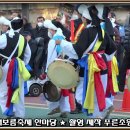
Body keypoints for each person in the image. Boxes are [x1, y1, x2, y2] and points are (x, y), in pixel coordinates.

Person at [55, 5, 117, 118]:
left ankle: (97, 116)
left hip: (90, 66)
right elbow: (112, 50)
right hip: (101, 64)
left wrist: (62, 43)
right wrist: (102, 58)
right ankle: (105, 107)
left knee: (84, 94)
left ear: (85, 19)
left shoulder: (87, 32)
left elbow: (76, 50)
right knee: (98, 91)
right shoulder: (102, 32)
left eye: (82, 17)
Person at [0, 16, 31, 118]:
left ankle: (8, 111)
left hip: (5, 66)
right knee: (19, 91)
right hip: (19, 67)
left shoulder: (4, 37)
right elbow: (28, 55)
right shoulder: (23, 39)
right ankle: (20, 114)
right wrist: (22, 63)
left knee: (3, 90)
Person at [44, 19, 70, 118]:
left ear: (52, 29)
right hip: (64, 67)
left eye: (49, 29)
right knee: (63, 89)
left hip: (54, 68)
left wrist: (47, 70)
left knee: (50, 88)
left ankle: (54, 107)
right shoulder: (64, 39)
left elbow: (50, 57)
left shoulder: (53, 41)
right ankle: (64, 109)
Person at [118, 14, 130, 92]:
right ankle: (121, 87)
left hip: (127, 49)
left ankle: (121, 87)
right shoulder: (126, 25)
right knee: (123, 68)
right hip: (128, 50)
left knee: (123, 68)